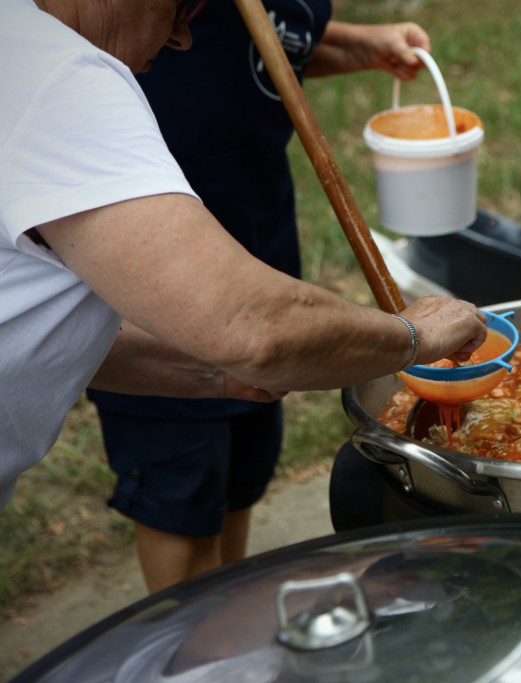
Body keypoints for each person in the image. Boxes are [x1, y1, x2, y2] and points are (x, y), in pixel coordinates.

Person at [0, 0, 486, 571]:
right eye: (182, 6)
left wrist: (210, 366)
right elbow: (256, 328)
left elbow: (29, 321)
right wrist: (414, 334)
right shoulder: (56, 75)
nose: (184, 37)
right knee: (184, 503)